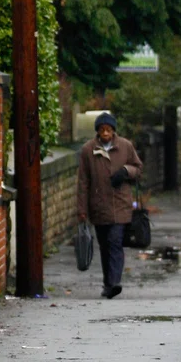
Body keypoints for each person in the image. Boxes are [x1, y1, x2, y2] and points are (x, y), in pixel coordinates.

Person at [76, 111, 143, 299]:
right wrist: (82, 210)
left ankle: (114, 282)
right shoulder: (88, 150)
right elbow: (83, 182)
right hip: (98, 205)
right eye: (102, 130)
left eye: (108, 129)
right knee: (105, 245)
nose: (105, 133)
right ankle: (108, 284)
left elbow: (138, 168)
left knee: (115, 242)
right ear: (97, 131)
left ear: (113, 130)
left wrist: (126, 171)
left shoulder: (125, 146)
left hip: (121, 204)